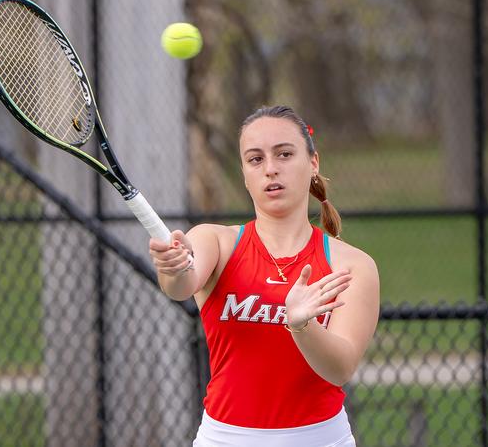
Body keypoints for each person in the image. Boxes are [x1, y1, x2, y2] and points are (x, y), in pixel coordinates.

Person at [149, 105, 380, 446]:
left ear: (313, 163)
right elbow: (182, 284)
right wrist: (174, 266)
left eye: (284, 154)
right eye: (255, 159)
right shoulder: (217, 241)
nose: (270, 169)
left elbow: (340, 369)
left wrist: (303, 326)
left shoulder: (352, 265)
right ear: (244, 173)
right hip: (225, 439)